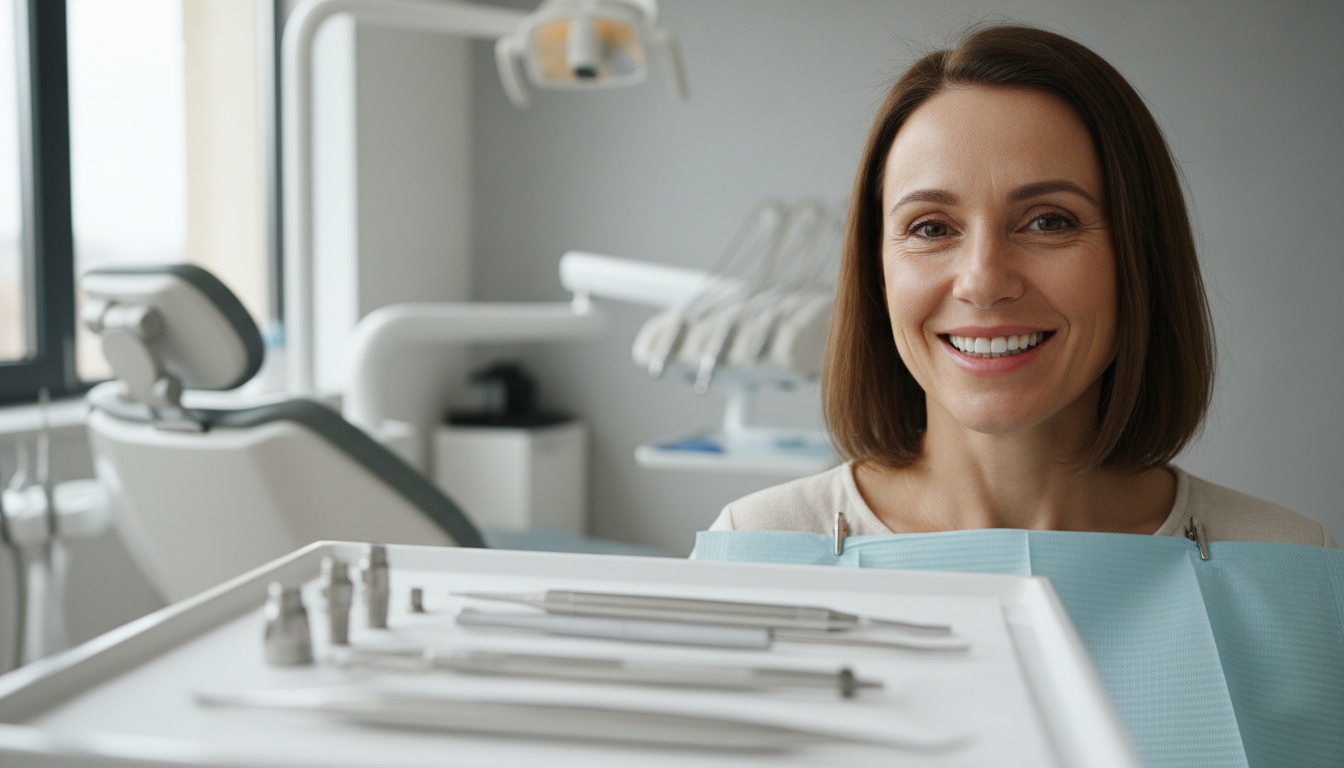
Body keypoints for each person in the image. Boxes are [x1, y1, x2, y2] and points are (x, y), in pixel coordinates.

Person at [709, 24, 1338, 549]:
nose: (983, 280)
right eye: (931, 227)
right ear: (876, 271)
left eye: (1049, 221)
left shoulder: (1292, 561)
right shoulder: (759, 546)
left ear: (1139, 256)